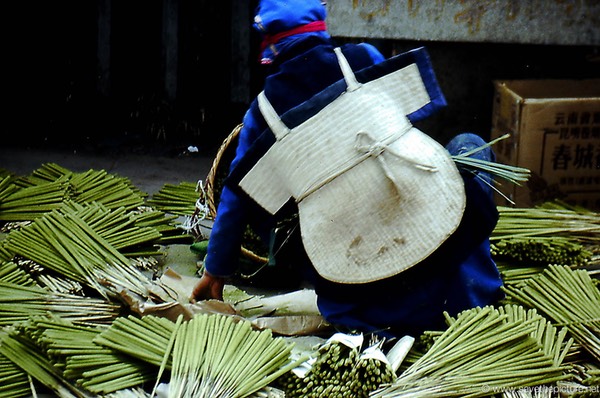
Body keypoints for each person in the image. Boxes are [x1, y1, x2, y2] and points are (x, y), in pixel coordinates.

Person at [191, 0, 504, 338]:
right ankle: (477, 289)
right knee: (469, 144)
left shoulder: (262, 114)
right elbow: (405, 125)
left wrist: (215, 271)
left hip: (357, 295)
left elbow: (236, 200)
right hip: (442, 271)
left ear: (270, 41)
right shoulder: (363, 57)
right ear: (319, 23)